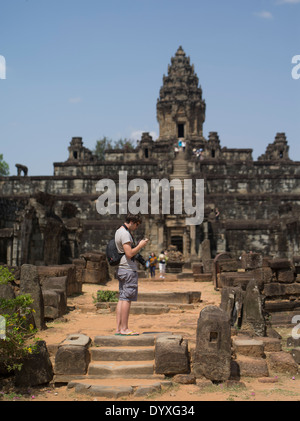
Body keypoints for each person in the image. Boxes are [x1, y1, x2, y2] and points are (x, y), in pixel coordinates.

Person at [114, 213, 149, 336]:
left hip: (122, 269)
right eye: (137, 225)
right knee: (127, 299)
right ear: (132, 222)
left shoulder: (119, 231)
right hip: (128, 269)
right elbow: (129, 254)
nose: (137, 228)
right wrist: (140, 245)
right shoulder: (125, 233)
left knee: (122, 298)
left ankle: (119, 329)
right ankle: (124, 328)